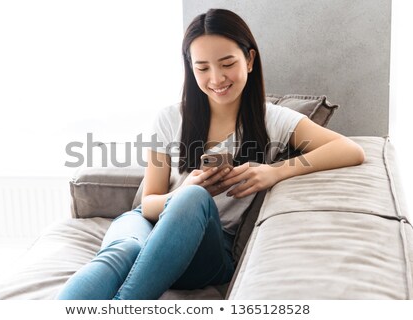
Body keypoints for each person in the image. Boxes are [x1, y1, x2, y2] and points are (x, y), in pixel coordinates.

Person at [57, 8, 365, 300]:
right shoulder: (169, 118)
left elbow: (349, 150)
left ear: (249, 60)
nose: (216, 79)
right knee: (125, 249)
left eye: (227, 64)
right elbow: (148, 202)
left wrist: (275, 171)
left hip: (207, 249)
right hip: (147, 223)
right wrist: (182, 193)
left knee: (194, 200)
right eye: (202, 68)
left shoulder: (273, 119)